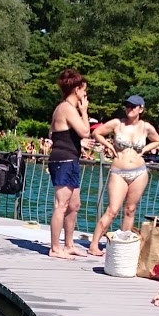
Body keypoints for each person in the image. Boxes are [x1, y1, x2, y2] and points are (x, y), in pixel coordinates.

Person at [88, 94, 159, 256]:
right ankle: (94, 244)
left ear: (141, 109)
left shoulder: (146, 127)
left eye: (133, 106)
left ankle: (122, 246)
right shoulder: (117, 123)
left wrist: (144, 150)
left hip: (139, 172)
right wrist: (109, 145)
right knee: (112, 210)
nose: (129, 109)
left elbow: (157, 140)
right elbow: (97, 133)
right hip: (119, 171)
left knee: (130, 209)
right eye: (127, 106)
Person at [47, 68, 89, 259]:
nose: (85, 95)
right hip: (63, 160)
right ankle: (55, 248)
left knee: (74, 205)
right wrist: (84, 111)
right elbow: (85, 131)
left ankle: (69, 244)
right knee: (61, 205)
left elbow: (53, 133)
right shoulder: (67, 108)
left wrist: (76, 142)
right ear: (77, 89)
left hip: (70, 158)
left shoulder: (61, 109)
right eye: (84, 91)